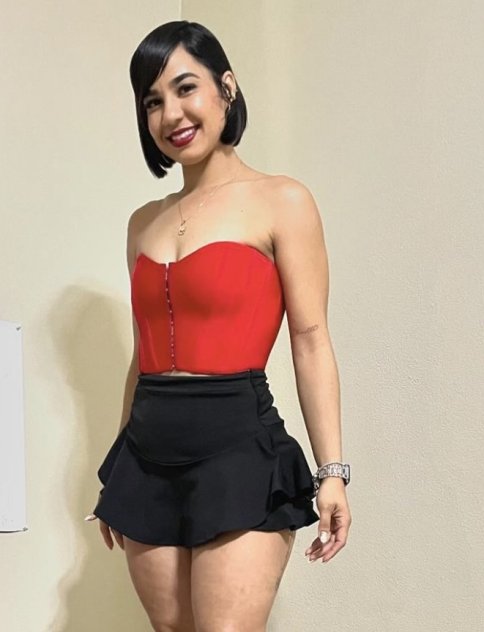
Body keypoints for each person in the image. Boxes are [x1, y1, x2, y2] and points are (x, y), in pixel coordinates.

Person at [84, 20, 352, 632]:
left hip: (238, 444)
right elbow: (143, 353)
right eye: (153, 101)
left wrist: (332, 471)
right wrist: (120, 464)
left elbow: (311, 340)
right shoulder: (142, 223)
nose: (171, 114)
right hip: (147, 451)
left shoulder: (282, 200)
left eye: (186, 88)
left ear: (226, 87)